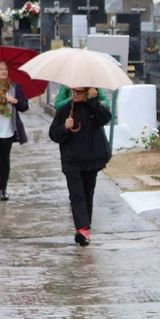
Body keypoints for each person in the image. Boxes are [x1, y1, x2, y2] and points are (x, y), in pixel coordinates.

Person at [49, 85, 112, 246]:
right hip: (72, 161)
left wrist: (94, 101)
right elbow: (54, 134)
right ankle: (82, 228)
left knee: (88, 193)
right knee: (76, 195)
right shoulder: (65, 110)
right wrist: (65, 127)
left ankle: (85, 228)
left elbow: (105, 118)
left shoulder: (94, 107)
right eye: (73, 92)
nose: (75, 95)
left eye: (79, 92)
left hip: (92, 159)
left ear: (87, 93)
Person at [0, 61, 28, 202]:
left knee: (5, 161)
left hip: (7, 131)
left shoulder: (14, 88)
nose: (4, 72)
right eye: (0, 69)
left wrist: (15, 101)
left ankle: (3, 189)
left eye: (6, 69)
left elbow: (24, 106)